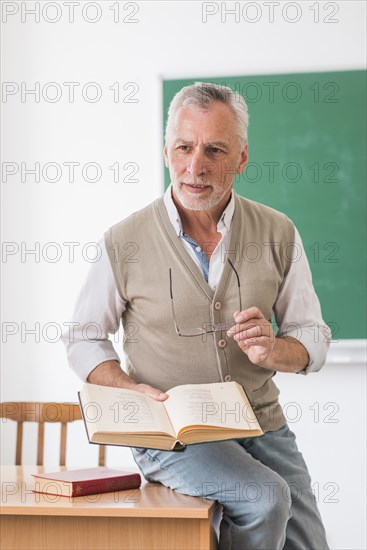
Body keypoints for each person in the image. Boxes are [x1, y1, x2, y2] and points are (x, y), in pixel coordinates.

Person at [63, 82, 331, 549]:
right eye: (185, 147)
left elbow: (312, 335)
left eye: (214, 150)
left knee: (309, 543)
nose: (195, 166)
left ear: (242, 159)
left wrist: (276, 350)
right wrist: (130, 389)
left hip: (260, 421)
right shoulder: (123, 240)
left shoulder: (278, 231)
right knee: (265, 499)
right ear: (167, 150)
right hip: (169, 432)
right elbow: (84, 337)